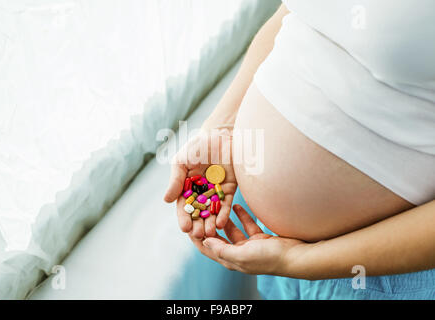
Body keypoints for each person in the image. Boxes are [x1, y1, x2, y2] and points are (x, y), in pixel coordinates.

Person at [164, 1, 435, 299]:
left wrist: (300, 260)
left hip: (379, 272)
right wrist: (222, 128)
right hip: (282, 255)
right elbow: (298, 16)